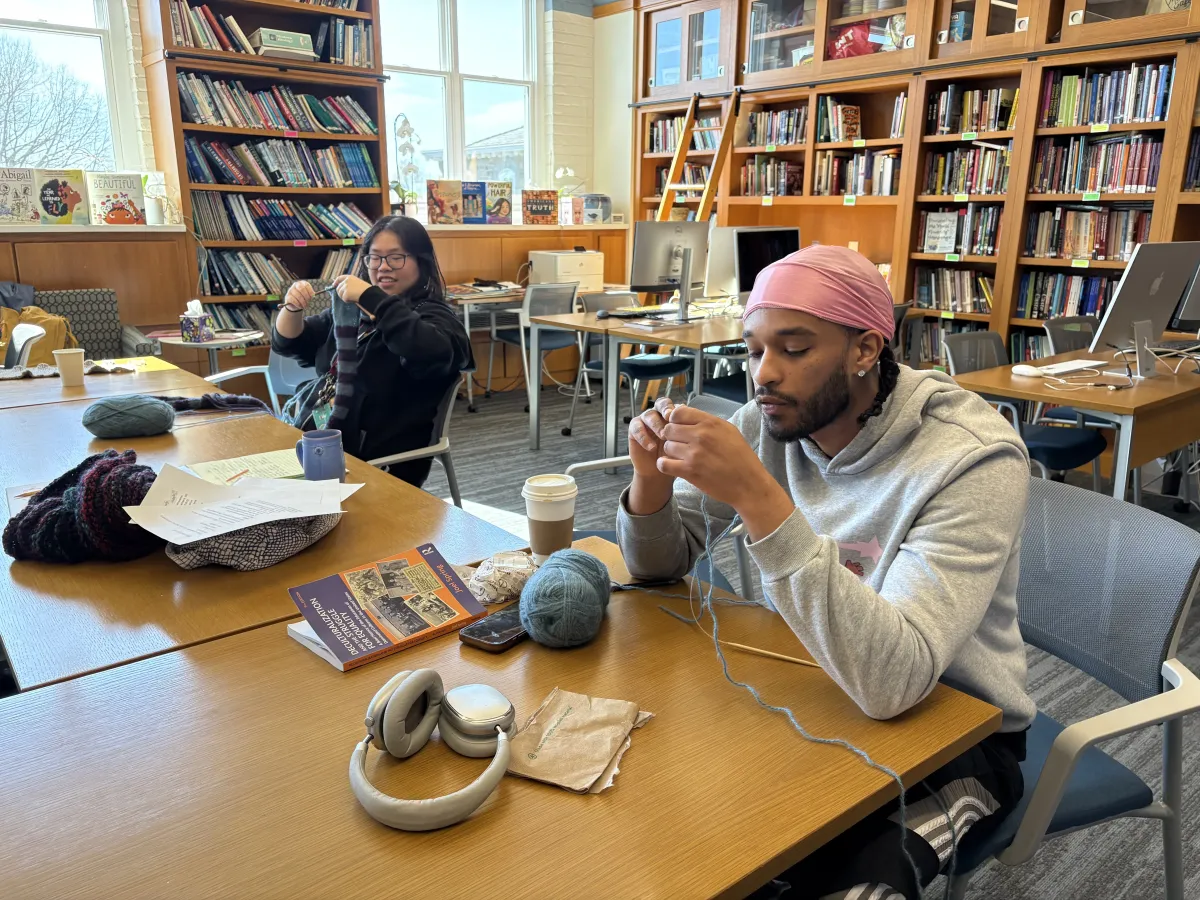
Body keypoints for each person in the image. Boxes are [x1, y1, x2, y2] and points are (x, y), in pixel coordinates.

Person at [616, 245, 1036, 900]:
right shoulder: (766, 422)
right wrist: (650, 485)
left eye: (794, 348)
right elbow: (657, 567)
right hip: (810, 686)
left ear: (865, 350)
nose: (765, 374)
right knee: (694, 847)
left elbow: (893, 682)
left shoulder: (970, 459)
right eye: (754, 350)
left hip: (955, 733)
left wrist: (761, 500)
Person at [273, 215, 471, 488]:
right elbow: (292, 344)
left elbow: (427, 349)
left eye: (395, 258)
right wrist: (292, 308)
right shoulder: (351, 313)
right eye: (374, 258)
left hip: (380, 463)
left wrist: (370, 297)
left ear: (420, 261)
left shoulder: (435, 317)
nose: (382, 268)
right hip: (324, 442)